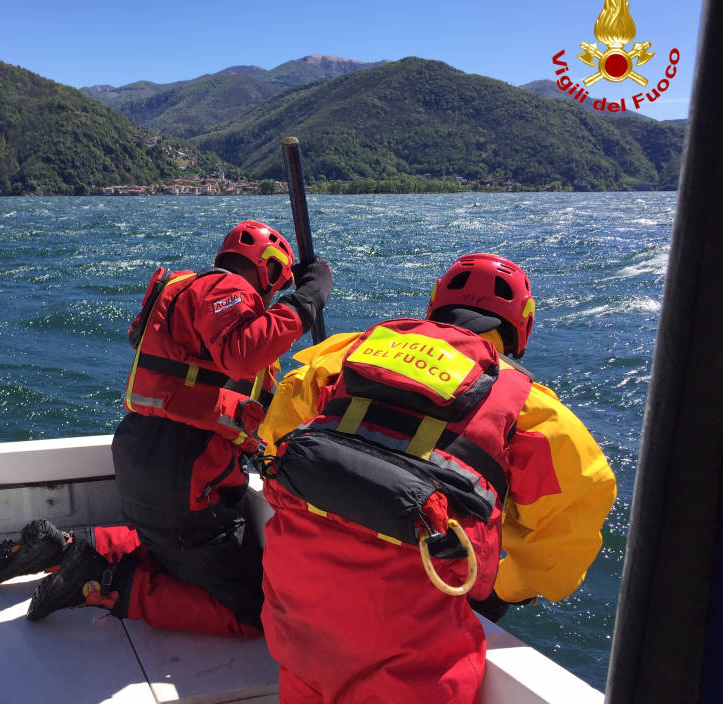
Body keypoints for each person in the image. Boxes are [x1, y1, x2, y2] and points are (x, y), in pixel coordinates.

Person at [255, 253, 617, 704]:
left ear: (435, 305)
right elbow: (570, 526)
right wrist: (508, 588)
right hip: (412, 629)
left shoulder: (344, 353)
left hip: (295, 594)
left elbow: (274, 438)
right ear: (519, 328)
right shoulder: (532, 410)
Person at [0, 220, 333, 638]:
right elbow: (244, 353)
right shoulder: (226, 288)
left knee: (167, 546)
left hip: (141, 456)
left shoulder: (186, 295)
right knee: (253, 611)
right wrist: (308, 300)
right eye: (276, 282)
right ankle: (107, 587)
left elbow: (229, 387)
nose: (271, 295)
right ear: (269, 270)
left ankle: (62, 550)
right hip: (186, 472)